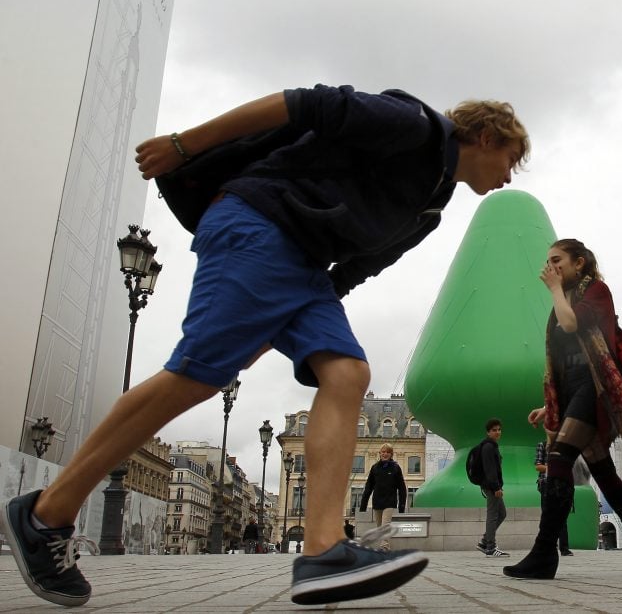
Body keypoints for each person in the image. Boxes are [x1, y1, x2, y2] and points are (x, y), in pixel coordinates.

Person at [0, 84, 529, 608]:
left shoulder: (429, 209)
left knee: (346, 373)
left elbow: (357, 267)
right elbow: (299, 104)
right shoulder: (412, 125)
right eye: (511, 158)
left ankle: (323, 548)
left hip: (304, 271)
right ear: (484, 136)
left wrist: (278, 324)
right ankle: (46, 514)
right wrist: (185, 144)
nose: (510, 173)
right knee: (195, 377)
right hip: (259, 225)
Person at [504, 239, 622, 579]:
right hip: (576, 389)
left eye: (558, 259)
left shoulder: (598, 292)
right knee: (604, 475)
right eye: (548, 260)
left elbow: (573, 325)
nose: (551, 266)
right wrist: (550, 405)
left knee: (558, 457)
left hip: (595, 389)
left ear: (580, 263)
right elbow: (562, 362)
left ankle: (545, 552)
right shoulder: (562, 300)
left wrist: (555, 291)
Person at [359, 443, 407, 551]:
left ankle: (384, 547)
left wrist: (402, 506)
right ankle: (385, 546)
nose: (385, 454)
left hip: (390, 502)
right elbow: (368, 487)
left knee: (385, 525)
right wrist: (363, 505)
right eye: (383, 452)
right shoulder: (375, 468)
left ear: (391, 454)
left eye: (387, 452)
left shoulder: (395, 467)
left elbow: (402, 487)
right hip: (377, 501)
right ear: (380, 453)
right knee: (380, 527)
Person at [476, 419, 509, 557]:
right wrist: (496, 487)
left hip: (493, 486)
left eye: (499, 429)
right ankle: (490, 546)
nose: (497, 432)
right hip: (491, 486)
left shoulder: (492, 446)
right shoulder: (488, 447)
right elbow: (490, 469)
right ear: (488, 432)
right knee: (493, 515)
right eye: (494, 430)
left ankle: (485, 541)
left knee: (502, 513)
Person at [535, 441, 572, 556]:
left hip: (561, 483)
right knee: (547, 516)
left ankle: (564, 548)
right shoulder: (542, 444)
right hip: (546, 484)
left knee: (562, 516)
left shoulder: (563, 446)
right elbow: (538, 466)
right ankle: (548, 547)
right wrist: (554, 468)